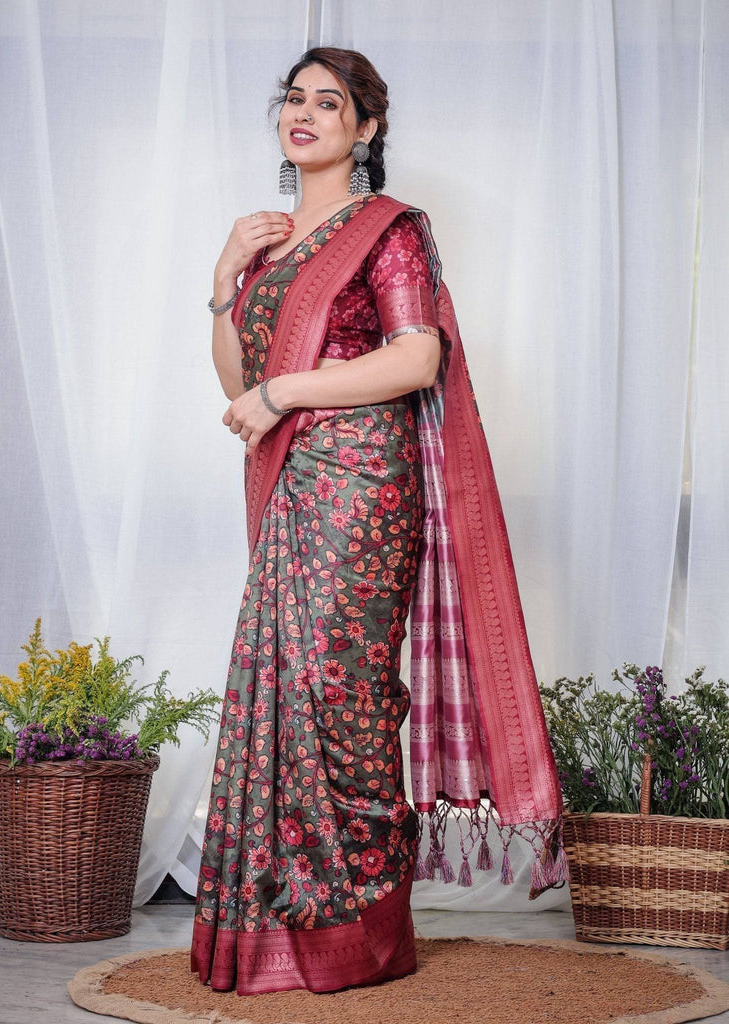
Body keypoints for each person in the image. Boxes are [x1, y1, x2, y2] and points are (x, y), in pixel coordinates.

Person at [191, 47, 566, 996]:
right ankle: (282, 931)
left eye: (330, 103)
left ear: (365, 130)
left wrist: (285, 391)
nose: (304, 113)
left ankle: (360, 935)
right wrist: (223, 279)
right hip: (290, 481)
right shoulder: (269, 245)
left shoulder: (390, 229)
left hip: (362, 482)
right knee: (283, 690)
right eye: (294, 98)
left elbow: (415, 357)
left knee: (340, 688)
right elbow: (238, 383)